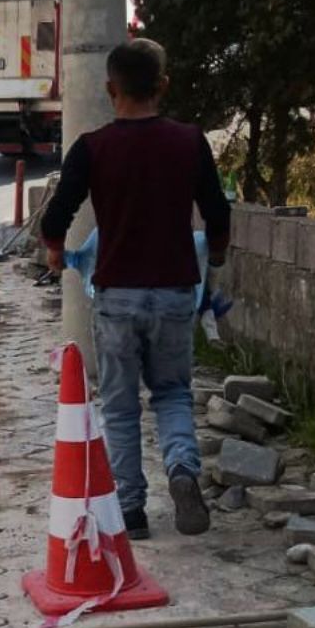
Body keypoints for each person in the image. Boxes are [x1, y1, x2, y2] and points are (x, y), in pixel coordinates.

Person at [41, 39, 231, 540]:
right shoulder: (190, 142)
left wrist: (56, 250)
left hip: (117, 298)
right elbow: (217, 212)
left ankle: (132, 509)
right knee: (172, 393)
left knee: (121, 405)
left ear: (109, 89)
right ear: (162, 86)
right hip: (173, 293)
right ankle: (183, 471)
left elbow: (59, 210)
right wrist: (217, 253)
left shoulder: (93, 147)